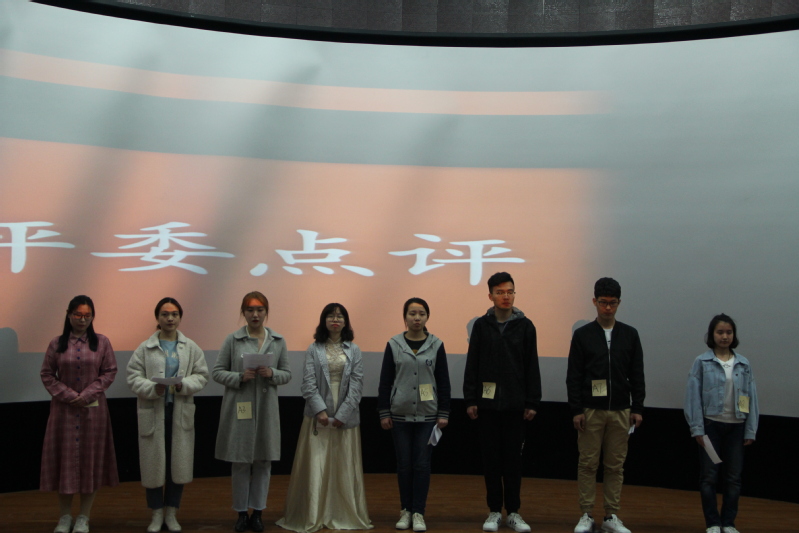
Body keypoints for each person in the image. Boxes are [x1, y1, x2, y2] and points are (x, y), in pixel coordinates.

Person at [276, 303, 372, 532]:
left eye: (340, 316)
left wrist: (342, 414)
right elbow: (308, 382)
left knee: (343, 466)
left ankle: (342, 513)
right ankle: (313, 514)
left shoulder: (354, 350)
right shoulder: (314, 348)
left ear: (346, 322)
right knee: (316, 465)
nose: (335, 320)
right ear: (324, 320)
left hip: (346, 414)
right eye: (331, 316)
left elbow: (357, 385)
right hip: (317, 415)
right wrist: (320, 410)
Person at [463, 272, 541, 533]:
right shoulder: (481, 326)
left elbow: (532, 366)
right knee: (491, 461)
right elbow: (472, 364)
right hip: (487, 406)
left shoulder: (526, 326)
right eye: (500, 292)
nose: (506, 296)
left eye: (510, 291)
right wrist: (470, 398)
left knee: (513, 462)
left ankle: (514, 512)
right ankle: (494, 510)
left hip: (516, 406)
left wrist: (532, 401)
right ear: (490, 296)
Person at [566, 278, 645, 533]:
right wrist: (576, 409)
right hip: (591, 410)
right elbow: (574, 376)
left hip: (621, 410)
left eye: (612, 303)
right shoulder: (583, 335)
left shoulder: (630, 334)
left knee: (615, 466)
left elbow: (637, 374)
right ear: (594, 302)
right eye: (603, 303)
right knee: (588, 464)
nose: (607, 308)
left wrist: (638, 407)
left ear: (619, 303)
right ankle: (586, 514)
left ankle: (611, 515)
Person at [127, 297, 209, 533]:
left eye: (174, 314)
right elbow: (133, 376)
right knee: (153, 466)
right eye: (165, 314)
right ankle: (156, 514)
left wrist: (184, 385)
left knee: (177, 465)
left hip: (179, 412)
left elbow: (202, 375)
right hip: (153, 412)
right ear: (158, 318)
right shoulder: (145, 348)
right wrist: (153, 388)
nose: (170, 318)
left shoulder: (190, 347)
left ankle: (171, 512)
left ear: (180, 317)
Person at [213, 291, 291, 533]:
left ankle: (258, 512)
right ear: (243, 313)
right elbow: (217, 372)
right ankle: (241, 513)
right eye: (250, 310)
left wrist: (272, 373)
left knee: (263, 462)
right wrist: (239, 376)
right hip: (241, 407)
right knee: (240, 462)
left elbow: (287, 373)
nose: (255, 314)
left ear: (266, 312)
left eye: (260, 310)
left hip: (266, 409)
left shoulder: (277, 340)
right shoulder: (233, 339)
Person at [40, 295, 119, 533]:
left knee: (89, 463)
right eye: (78, 315)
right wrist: (67, 394)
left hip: (93, 412)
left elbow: (109, 371)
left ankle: (84, 516)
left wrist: (86, 395)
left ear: (92, 317)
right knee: (63, 462)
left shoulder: (102, 342)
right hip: (63, 412)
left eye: (87, 315)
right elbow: (47, 374)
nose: (83, 320)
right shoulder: (56, 343)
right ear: (69, 314)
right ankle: (65, 517)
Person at [378, 297, 451, 533]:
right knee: (404, 465)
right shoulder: (394, 344)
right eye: (412, 313)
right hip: (399, 415)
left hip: (428, 417)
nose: (417, 318)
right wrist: (384, 412)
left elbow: (443, 381)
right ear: (405, 317)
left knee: (421, 465)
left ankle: (419, 512)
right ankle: (405, 511)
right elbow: (385, 381)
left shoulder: (436, 344)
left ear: (427, 317)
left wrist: (444, 412)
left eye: (421, 313)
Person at [684, 314, 759, 533]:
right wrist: (697, 428)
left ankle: (728, 523)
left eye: (728, 332)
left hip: (737, 427)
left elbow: (751, 397)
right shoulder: (702, 362)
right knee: (709, 477)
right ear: (712, 335)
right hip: (711, 427)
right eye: (720, 332)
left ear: (733, 335)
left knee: (733, 478)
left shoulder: (743, 363)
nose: (724, 336)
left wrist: (751, 429)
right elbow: (692, 397)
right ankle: (713, 523)